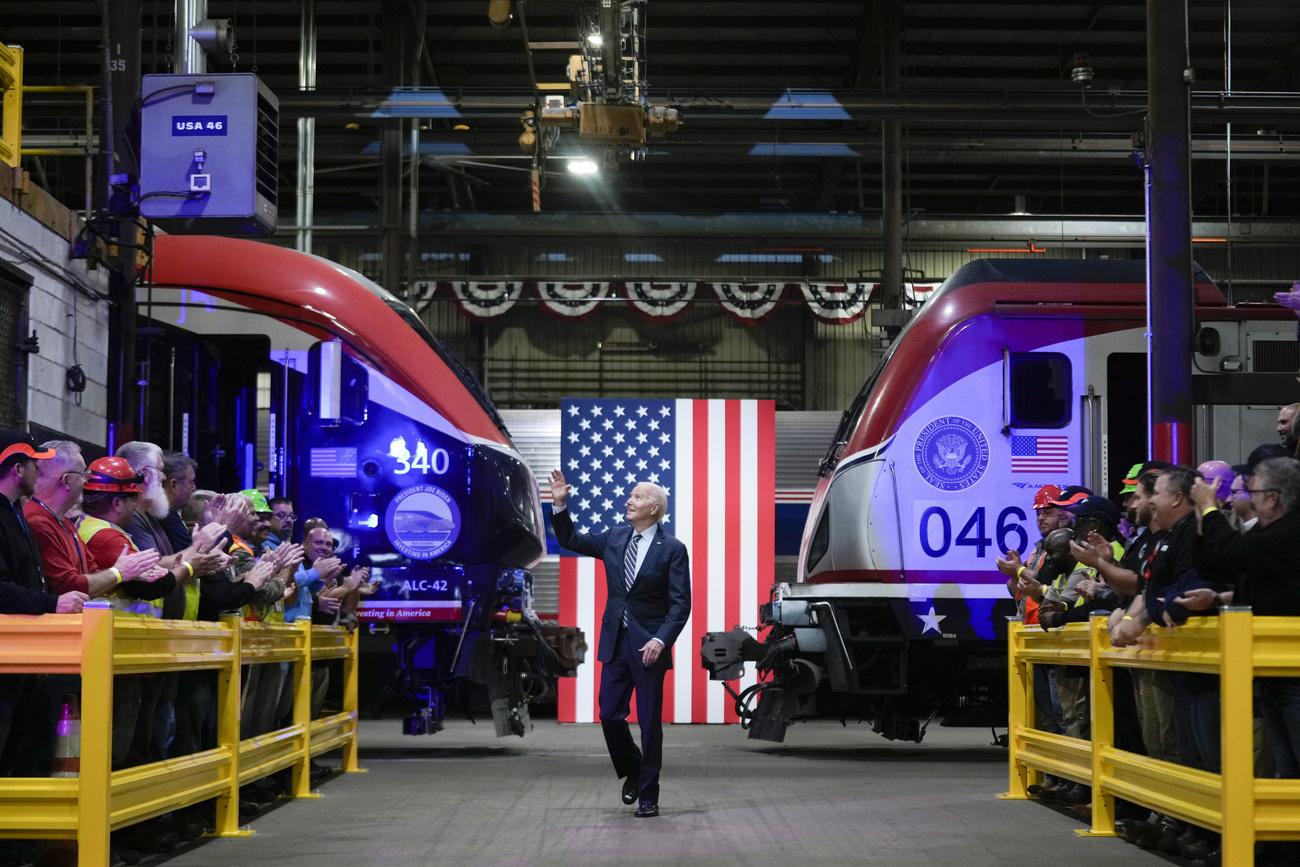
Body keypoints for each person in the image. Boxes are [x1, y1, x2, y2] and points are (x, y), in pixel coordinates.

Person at [548, 468, 690, 818]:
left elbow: (680, 604)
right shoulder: (613, 537)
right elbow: (571, 540)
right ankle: (635, 770)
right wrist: (560, 505)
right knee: (610, 715)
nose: (629, 500)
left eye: (638, 496)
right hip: (615, 642)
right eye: (631, 495)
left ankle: (648, 795)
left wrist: (661, 639)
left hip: (648, 648)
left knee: (650, 723)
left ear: (655, 508)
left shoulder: (672, 549)